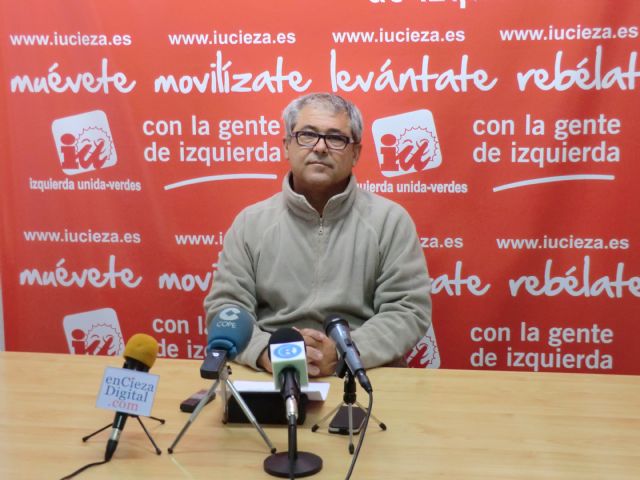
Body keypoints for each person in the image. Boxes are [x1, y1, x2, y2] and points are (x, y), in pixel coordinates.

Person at [204, 92, 431, 377]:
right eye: (308, 135)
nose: (320, 147)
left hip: (363, 371)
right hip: (271, 372)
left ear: (356, 153)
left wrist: (343, 352)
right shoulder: (250, 223)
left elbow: (408, 310)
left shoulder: (390, 221)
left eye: (336, 138)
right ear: (287, 146)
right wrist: (267, 352)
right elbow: (226, 309)